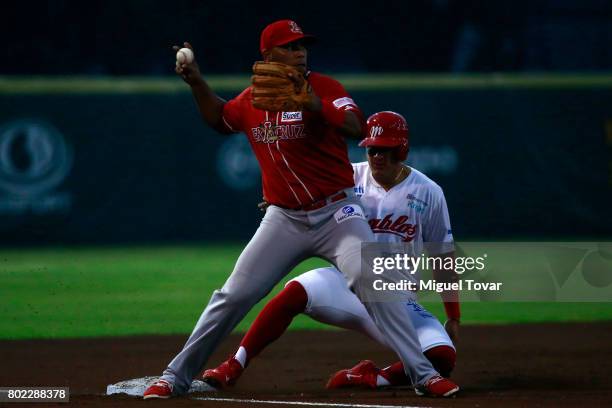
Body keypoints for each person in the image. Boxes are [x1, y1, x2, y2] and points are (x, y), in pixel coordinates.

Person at [144, 20, 457, 400]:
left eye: (302, 46)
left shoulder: (325, 88)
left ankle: (423, 375)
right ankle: (174, 376)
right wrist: (195, 82)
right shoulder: (252, 101)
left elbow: (357, 126)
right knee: (233, 294)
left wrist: (312, 103)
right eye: (290, 46)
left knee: (369, 277)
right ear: (268, 55)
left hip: (338, 213)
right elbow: (220, 119)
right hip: (284, 218)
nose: (300, 52)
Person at [202, 111, 461, 394]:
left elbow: (442, 257)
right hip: (346, 285)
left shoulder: (429, 192)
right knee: (295, 292)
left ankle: (372, 377)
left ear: (403, 150)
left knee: (442, 356)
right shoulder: (347, 176)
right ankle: (234, 365)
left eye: (387, 150)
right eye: (373, 149)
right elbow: (303, 190)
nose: (377, 157)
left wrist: (453, 316)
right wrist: (281, 201)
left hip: (396, 299)